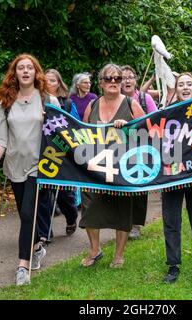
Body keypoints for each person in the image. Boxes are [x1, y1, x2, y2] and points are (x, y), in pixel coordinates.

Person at [0, 54, 60, 285]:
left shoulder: (49, 100)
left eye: (29, 67)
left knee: (28, 213)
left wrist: (52, 123)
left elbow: (62, 136)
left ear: (36, 72)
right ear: (14, 73)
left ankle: (22, 267)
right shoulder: (6, 103)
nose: (25, 71)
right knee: (24, 213)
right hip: (14, 165)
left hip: (42, 166)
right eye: (21, 68)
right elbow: (0, 138)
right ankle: (37, 247)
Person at [79, 63, 145, 268]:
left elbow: (147, 131)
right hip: (97, 165)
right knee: (89, 205)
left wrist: (129, 127)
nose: (114, 82)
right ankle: (95, 250)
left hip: (122, 165)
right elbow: (83, 133)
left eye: (117, 78)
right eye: (109, 78)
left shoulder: (131, 103)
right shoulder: (93, 105)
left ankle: (118, 255)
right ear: (101, 83)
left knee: (122, 208)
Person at [161, 72, 192, 284]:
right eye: (181, 84)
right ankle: (173, 265)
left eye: (189, 84)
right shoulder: (167, 113)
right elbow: (148, 130)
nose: (185, 87)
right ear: (176, 89)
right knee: (171, 220)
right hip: (172, 173)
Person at [37, 69, 79, 241]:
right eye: (45, 80)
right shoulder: (35, 100)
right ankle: (45, 233)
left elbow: (76, 126)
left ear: (59, 83)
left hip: (61, 150)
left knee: (63, 193)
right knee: (44, 191)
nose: (48, 84)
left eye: (52, 81)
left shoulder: (67, 103)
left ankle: (71, 217)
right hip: (42, 150)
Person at [120, 65, 158, 240]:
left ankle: (136, 225)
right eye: (123, 77)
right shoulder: (113, 100)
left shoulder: (145, 98)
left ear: (135, 80)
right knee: (122, 185)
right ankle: (122, 222)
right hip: (118, 149)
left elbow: (155, 122)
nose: (127, 80)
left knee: (139, 187)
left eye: (130, 77)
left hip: (141, 147)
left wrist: (134, 121)